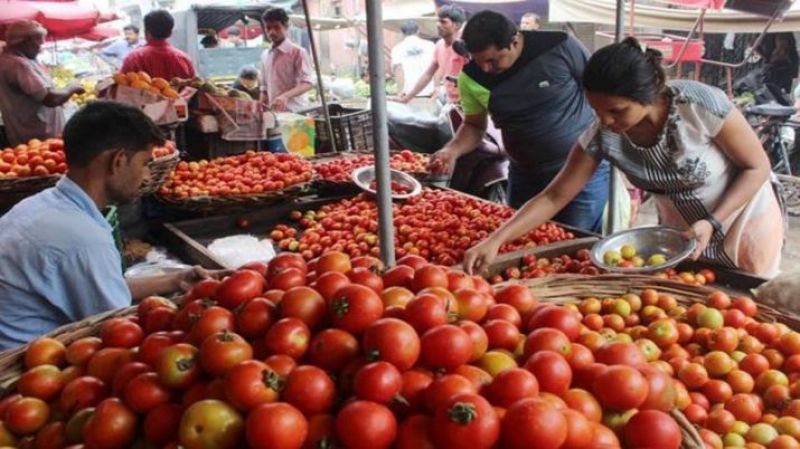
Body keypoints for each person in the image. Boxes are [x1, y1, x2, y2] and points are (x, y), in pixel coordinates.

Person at [464, 37, 785, 278]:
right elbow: (554, 196)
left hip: (743, 217)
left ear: (649, 94)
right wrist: (496, 240)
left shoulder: (700, 105)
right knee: (697, 290)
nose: (605, 121)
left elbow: (756, 166)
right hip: (684, 229)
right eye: (596, 110)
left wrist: (713, 221)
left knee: (746, 293)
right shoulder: (603, 135)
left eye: (617, 111)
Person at [0, 101, 214, 350]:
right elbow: (121, 329)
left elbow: (102, 286)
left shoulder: (42, 205)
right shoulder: (81, 238)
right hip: (22, 370)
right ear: (118, 161)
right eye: (144, 163)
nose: (146, 176)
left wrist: (176, 280)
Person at [431, 11, 609, 231]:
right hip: (525, 175)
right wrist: (451, 151)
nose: (486, 68)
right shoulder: (471, 76)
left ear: (514, 41)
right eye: (479, 61)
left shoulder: (561, 46)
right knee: (520, 241)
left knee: (575, 240)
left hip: (581, 172)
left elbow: (600, 91)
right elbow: (474, 126)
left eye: (492, 59)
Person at [0, 20, 84, 146]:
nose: (41, 45)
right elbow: (51, 98)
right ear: (26, 41)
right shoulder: (18, 65)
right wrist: (72, 87)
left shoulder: (17, 60)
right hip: (38, 138)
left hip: (35, 137)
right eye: (39, 40)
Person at [397, 5, 468, 105]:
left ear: (457, 25)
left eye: (443, 22)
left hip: (470, 102)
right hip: (452, 103)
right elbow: (428, 74)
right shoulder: (439, 45)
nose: (438, 25)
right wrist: (407, 98)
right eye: (438, 21)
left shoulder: (466, 45)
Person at [259, 8, 313, 112]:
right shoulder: (265, 55)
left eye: (276, 27)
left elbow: (307, 83)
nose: (272, 32)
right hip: (274, 113)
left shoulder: (298, 52)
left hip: (296, 112)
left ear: (286, 26)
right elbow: (264, 87)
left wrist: (285, 96)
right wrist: (260, 105)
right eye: (268, 28)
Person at [121, 10, 195, 80]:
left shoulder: (133, 59)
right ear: (170, 33)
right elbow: (195, 88)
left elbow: (120, 89)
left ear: (146, 32)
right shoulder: (183, 59)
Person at [391, 21, 436, 98]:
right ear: (418, 31)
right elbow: (437, 67)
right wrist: (437, 86)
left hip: (408, 94)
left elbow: (399, 70)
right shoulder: (430, 45)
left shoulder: (397, 49)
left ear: (402, 33)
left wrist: (399, 92)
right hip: (429, 92)